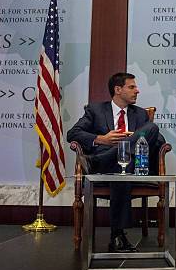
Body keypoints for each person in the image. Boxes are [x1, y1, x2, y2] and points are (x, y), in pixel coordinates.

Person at [67, 72, 165, 253]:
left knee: (150, 129)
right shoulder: (95, 110)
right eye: (132, 87)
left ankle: (97, 161)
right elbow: (72, 134)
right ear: (118, 90)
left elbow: (158, 139)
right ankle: (117, 236)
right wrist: (102, 139)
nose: (137, 90)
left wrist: (134, 138)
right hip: (112, 164)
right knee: (123, 167)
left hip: (130, 162)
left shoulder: (142, 114)